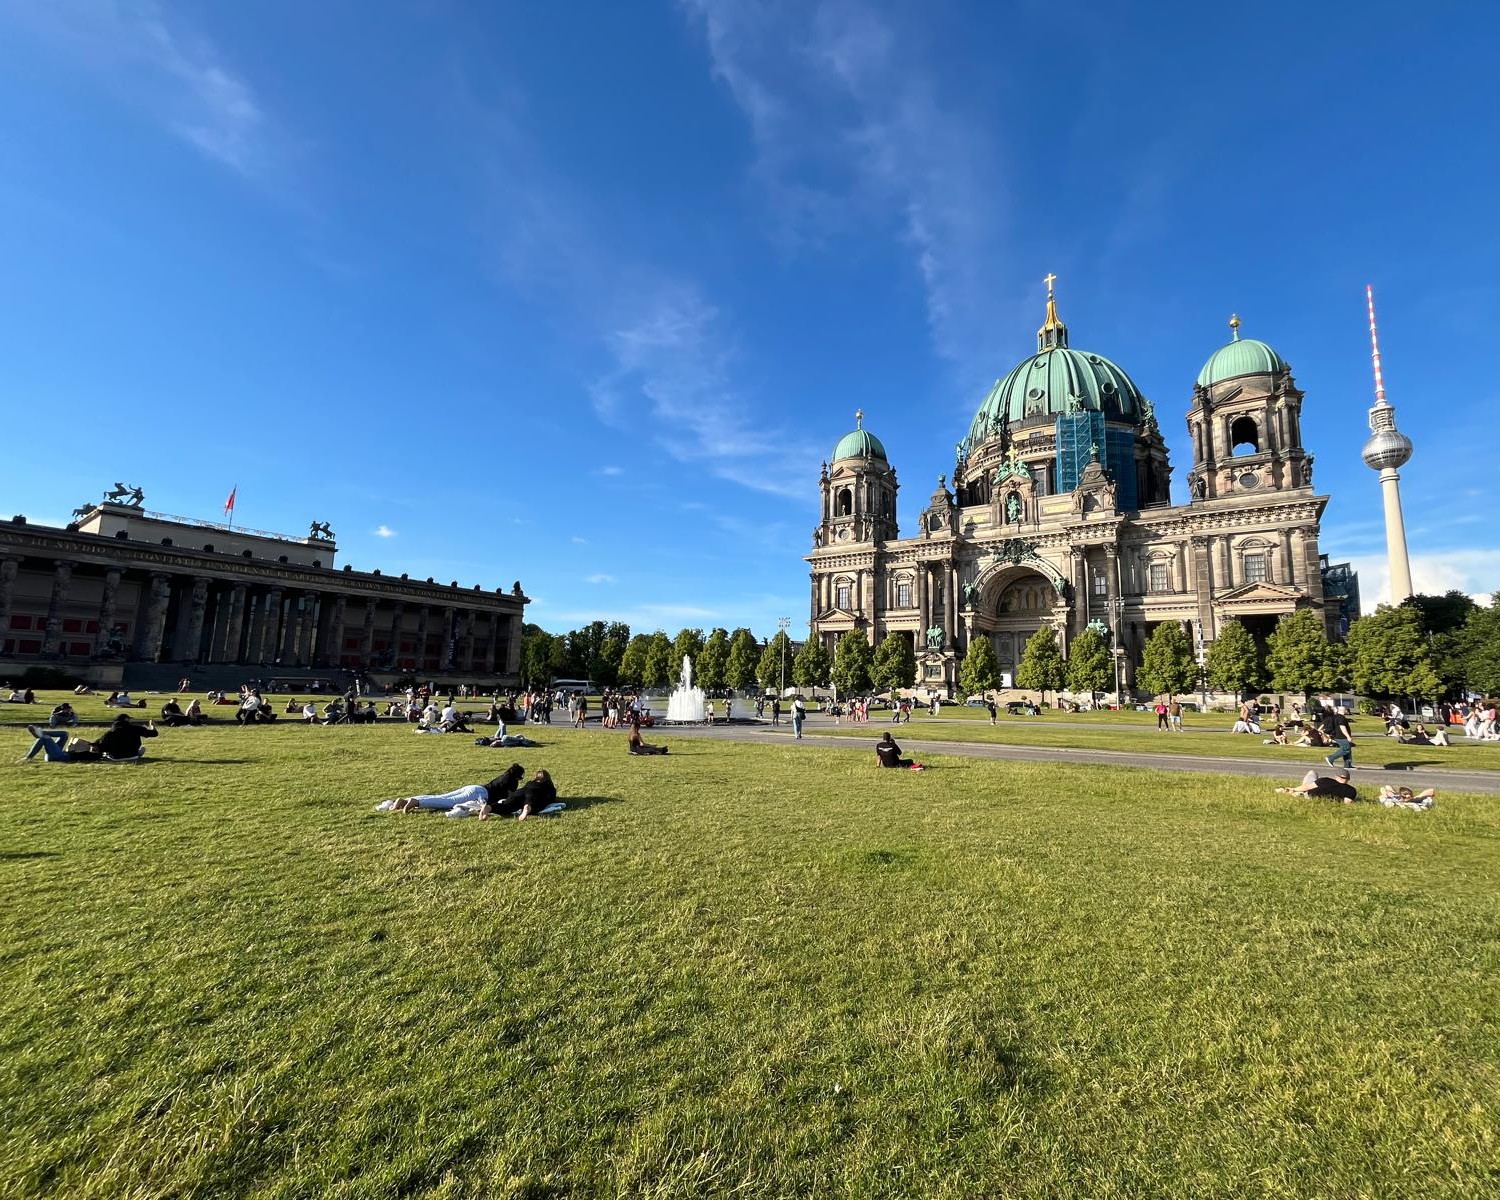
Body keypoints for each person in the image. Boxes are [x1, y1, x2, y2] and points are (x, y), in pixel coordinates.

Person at [388, 764, 526, 816]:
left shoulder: (504, 776)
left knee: (442, 796)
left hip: (475, 787)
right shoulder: (511, 781)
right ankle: (415, 802)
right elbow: (510, 798)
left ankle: (404, 801)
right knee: (446, 803)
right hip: (479, 794)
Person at [26, 714, 158, 762]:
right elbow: (153, 734)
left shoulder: (109, 734)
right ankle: (40, 736)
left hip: (60, 755)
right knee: (50, 737)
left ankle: (39, 737)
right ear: (126, 720)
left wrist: (90, 746)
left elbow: (99, 746)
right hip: (58, 756)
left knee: (52, 737)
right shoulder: (135, 729)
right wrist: (152, 726)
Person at [1316, 698, 1355, 769]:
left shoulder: (1335, 717)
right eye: (1346, 709)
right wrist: (1348, 736)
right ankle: (1330, 758)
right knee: (1345, 749)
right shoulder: (1341, 718)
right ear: (1344, 710)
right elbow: (1342, 727)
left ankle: (1348, 765)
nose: (1347, 711)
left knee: (1348, 749)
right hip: (1341, 736)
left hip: (1336, 735)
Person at [1275, 768, 1356, 803]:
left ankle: (1289, 791)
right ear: (1348, 779)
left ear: (1336, 777)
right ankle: (1294, 793)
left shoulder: (1325, 780)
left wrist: (1294, 789)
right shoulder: (1351, 790)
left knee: (1312, 772)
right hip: (1319, 800)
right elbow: (1347, 802)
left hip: (1310, 795)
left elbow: (1307, 787)